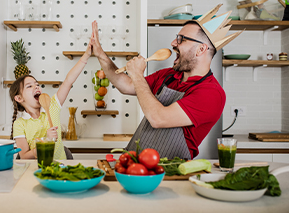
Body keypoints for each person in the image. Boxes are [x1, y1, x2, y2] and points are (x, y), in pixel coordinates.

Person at [89, 4, 243, 159]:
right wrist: (99, 53)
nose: (173, 43)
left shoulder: (211, 93)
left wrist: (137, 75)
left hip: (170, 170)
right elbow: (126, 85)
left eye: (181, 39)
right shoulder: (169, 75)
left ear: (201, 49)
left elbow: (158, 118)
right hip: (136, 163)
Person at [9, 35, 94, 159]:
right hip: (34, 171)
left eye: (37, 84)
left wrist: (86, 55)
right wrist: (45, 141)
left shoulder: (52, 107)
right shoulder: (20, 124)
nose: (36, 87)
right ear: (19, 98)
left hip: (60, 168)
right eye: (29, 86)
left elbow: (68, 82)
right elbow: (24, 156)